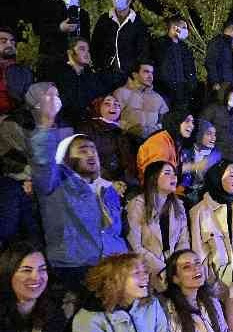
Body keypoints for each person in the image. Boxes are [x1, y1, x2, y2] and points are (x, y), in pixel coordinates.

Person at [30, 94, 127, 292]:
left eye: (93, 150)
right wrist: (46, 124)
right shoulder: (57, 183)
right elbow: (43, 162)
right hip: (75, 268)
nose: (91, 154)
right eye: (82, 150)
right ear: (66, 157)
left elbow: (115, 233)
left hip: (114, 266)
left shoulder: (108, 190)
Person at [72, 253, 169, 332]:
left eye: (145, 272)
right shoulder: (88, 319)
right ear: (115, 280)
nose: (145, 277)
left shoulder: (152, 304)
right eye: (136, 273)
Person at [126, 161, 190, 292]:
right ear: (153, 178)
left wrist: (179, 265)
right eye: (167, 173)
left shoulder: (178, 206)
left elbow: (183, 240)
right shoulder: (137, 205)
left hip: (174, 270)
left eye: (174, 174)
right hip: (149, 271)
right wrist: (161, 268)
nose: (174, 177)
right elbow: (135, 246)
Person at [190, 160, 233, 287]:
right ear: (217, 177)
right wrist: (211, 284)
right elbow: (198, 253)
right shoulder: (199, 211)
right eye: (232, 176)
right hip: (213, 284)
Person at [0, 242, 71, 332]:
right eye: (26, 270)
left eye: (42, 269)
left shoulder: (55, 314)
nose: (36, 277)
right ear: (8, 274)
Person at [161, 249, 233, 332]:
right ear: (175, 278)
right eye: (187, 267)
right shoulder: (168, 312)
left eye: (197, 263)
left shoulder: (212, 302)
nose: (196, 268)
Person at [76, 95, 135, 187]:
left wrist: (124, 183)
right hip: (97, 182)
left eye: (117, 104)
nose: (114, 106)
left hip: (121, 183)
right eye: (107, 103)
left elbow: (128, 162)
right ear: (97, 106)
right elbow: (87, 160)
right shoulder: (88, 129)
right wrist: (109, 183)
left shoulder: (122, 133)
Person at [91, 0, 149, 90]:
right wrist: (97, 67)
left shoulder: (138, 24)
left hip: (127, 77)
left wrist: (134, 75)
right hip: (104, 74)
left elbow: (142, 53)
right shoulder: (104, 20)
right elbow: (95, 46)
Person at [136, 108, 197, 185]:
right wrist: (194, 166)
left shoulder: (175, 141)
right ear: (176, 121)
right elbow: (158, 175)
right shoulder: (159, 141)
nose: (192, 126)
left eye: (192, 122)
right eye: (187, 121)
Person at [53, 37, 103, 128]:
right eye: (82, 49)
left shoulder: (90, 76)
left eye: (88, 50)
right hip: (64, 124)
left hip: (88, 124)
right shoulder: (59, 74)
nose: (87, 54)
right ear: (70, 52)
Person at [34, 0, 90, 80]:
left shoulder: (83, 14)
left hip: (77, 67)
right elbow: (37, 29)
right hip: (52, 64)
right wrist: (59, 28)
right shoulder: (47, 5)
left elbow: (86, 40)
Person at [114, 60, 169, 139]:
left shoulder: (158, 98)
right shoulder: (121, 93)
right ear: (135, 75)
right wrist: (129, 129)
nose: (150, 76)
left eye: (152, 73)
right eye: (146, 72)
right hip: (127, 141)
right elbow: (112, 119)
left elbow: (166, 121)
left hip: (152, 142)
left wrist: (154, 130)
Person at [152, 15, 197, 109]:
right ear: (174, 28)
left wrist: (191, 84)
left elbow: (190, 68)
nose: (186, 30)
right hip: (164, 91)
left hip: (182, 92)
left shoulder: (185, 47)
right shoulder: (159, 45)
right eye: (184, 28)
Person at [181, 119, 222, 207]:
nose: (213, 138)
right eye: (209, 134)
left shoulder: (216, 156)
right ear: (198, 134)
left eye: (214, 134)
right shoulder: (185, 152)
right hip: (184, 198)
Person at [200, 83, 233, 161]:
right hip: (214, 153)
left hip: (229, 154)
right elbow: (202, 129)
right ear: (226, 94)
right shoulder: (212, 109)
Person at [0, 27, 33, 119]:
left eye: (12, 42)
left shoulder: (23, 72)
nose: (10, 44)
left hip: (14, 120)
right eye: (3, 41)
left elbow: (29, 100)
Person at [205, 22, 233, 90]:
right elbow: (210, 61)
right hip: (220, 84)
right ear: (232, 31)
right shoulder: (217, 42)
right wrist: (215, 81)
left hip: (229, 84)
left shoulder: (229, 45)